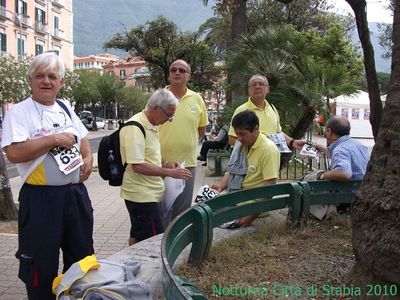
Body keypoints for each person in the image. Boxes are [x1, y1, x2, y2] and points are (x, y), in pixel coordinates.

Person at [1, 52, 94, 300]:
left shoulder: (65, 108)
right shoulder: (19, 112)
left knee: (82, 258)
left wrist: (87, 158)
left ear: (60, 82)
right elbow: (14, 153)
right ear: (30, 79)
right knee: (40, 264)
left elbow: (83, 138)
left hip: (75, 196)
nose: (46, 81)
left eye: (52, 76)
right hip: (41, 198)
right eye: (40, 76)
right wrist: (53, 139)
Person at [120, 89, 193, 246]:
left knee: (138, 234)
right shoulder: (135, 127)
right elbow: (137, 166)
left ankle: (131, 265)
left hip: (149, 194)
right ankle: (149, 269)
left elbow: (149, 156)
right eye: (169, 114)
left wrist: (166, 163)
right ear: (156, 108)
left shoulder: (151, 125)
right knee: (154, 241)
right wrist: (169, 172)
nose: (171, 119)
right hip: (141, 196)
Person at [159, 59, 208, 224]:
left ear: (189, 75)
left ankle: (176, 245)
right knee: (161, 209)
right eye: (173, 70)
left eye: (182, 70)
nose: (177, 73)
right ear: (169, 74)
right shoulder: (159, 97)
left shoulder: (197, 99)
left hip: (187, 163)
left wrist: (188, 143)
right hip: (161, 163)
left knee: (182, 210)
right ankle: (158, 245)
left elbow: (202, 129)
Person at [211, 110, 280, 227]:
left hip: (252, 207)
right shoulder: (241, 144)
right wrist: (221, 185)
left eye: (243, 134)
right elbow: (232, 170)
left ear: (256, 129)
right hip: (235, 199)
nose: (239, 138)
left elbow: (269, 189)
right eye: (237, 134)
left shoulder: (268, 150)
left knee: (208, 218)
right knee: (203, 210)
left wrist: (250, 217)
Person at [228, 74, 305, 150]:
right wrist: (255, 150)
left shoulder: (272, 109)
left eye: (261, 84)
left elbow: (278, 133)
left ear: (267, 89)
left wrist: (292, 142)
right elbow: (232, 139)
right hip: (252, 161)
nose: (257, 87)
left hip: (273, 159)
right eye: (254, 84)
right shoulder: (241, 110)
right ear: (249, 90)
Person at [313, 115, 370, 213]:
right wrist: (323, 149)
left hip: (347, 200)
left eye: (325, 131)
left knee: (311, 180)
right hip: (364, 194)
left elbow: (344, 173)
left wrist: (323, 175)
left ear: (329, 132)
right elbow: (344, 157)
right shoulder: (358, 145)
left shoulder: (340, 150)